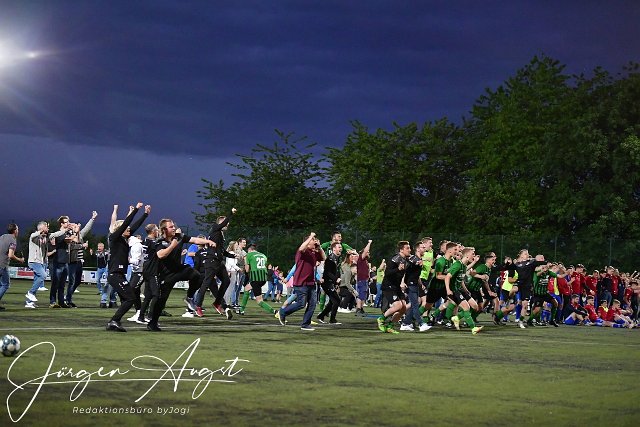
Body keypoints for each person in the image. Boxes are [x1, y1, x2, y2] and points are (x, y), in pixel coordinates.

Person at [146, 219, 214, 331]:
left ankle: (189, 297)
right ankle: (152, 323)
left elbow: (194, 240)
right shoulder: (159, 241)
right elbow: (161, 255)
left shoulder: (179, 236)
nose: (174, 228)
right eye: (171, 227)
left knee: (196, 275)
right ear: (164, 229)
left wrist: (207, 241)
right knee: (161, 300)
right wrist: (172, 245)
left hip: (178, 269)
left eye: (174, 226)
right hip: (166, 275)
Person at [105, 203, 150, 332]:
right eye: (126, 228)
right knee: (130, 298)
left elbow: (134, 226)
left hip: (119, 275)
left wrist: (145, 214)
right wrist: (136, 210)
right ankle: (114, 321)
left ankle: (115, 321)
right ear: (120, 229)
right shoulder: (114, 238)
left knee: (127, 299)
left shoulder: (124, 239)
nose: (129, 229)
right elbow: (126, 224)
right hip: (115, 275)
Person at [276, 232, 325, 331]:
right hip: (301, 282)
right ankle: (282, 312)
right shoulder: (302, 252)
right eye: (313, 240)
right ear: (308, 242)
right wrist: (311, 236)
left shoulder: (313, 253)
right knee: (301, 304)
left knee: (312, 304)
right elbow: (302, 248)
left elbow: (323, 258)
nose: (315, 241)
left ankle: (305, 324)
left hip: (311, 283)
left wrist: (319, 247)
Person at [195, 209, 237, 320]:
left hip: (218, 262)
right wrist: (230, 213)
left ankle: (217, 302)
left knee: (226, 281)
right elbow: (223, 223)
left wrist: (232, 256)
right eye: (225, 222)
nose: (227, 224)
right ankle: (198, 306)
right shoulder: (214, 228)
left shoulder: (220, 234)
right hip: (211, 261)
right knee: (206, 283)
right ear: (220, 223)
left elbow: (221, 250)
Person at [446, 246, 483, 335]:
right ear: (466, 255)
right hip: (454, 290)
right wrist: (448, 290)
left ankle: (457, 318)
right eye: (472, 254)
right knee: (466, 307)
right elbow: (447, 277)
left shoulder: (464, 266)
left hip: (460, 289)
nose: (473, 256)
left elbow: (461, 280)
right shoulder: (457, 265)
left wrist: (466, 290)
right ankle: (473, 328)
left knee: (475, 306)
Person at [399, 241, 432, 332]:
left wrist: (421, 284)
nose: (424, 249)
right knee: (415, 304)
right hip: (410, 285)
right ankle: (421, 324)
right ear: (417, 249)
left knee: (415, 303)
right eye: (422, 247)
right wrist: (402, 282)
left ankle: (405, 323)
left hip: (415, 284)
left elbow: (416, 275)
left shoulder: (418, 259)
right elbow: (404, 271)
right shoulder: (413, 259)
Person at [238, 243, 277, 316]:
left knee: (259, 301)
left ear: (249, 249)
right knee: (247, 288)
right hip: (264, 278)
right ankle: (241, 310)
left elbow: (247, 270)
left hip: (256, 278)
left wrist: (245, 264)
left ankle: (275, 312)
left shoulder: (249, 255)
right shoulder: (263, 255)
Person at [25, 221, 54, 308]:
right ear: (42, 228)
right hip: (34, 262)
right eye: (46, 227)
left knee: (37, 281)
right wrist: (41, 231)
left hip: (40, 262)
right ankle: (30, 292)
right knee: (43, 275)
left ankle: (29, 302)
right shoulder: (34, 236)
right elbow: (33, 235)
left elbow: (55, 234)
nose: (48, 228)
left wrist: (64, 230)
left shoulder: (44, 238)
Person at [316, 242, 343, 324]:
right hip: (327, 283)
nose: (341, 249)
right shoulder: (330, 259)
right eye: (339, 247)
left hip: (330, 282)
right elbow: (327, 272)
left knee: (332, 301)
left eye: (341, 247)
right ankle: (332, 319)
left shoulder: (337, 258)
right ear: (334, 249)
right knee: (336, 300)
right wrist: (336, 279)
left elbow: (335, 271)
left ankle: (321, 316)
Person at [0, 223, 25, 310]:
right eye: (17, 229)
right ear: (15, 231)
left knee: (1, 284)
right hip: (2, 265)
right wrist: (20, 260)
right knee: (5, 285)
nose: (18, 231)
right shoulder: (13, 240)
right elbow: (10, 255)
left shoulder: (2, 236)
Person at [354, 240, 372, 316]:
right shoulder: (361, 258)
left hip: (364, 280)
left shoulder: (365, 261)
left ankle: (361, 308)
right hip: (361, 279)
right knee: (361, 294)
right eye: (368, 252)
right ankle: (358, 309)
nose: (368, 253)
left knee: (363, 295)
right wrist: (369, 243)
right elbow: (365, 250)